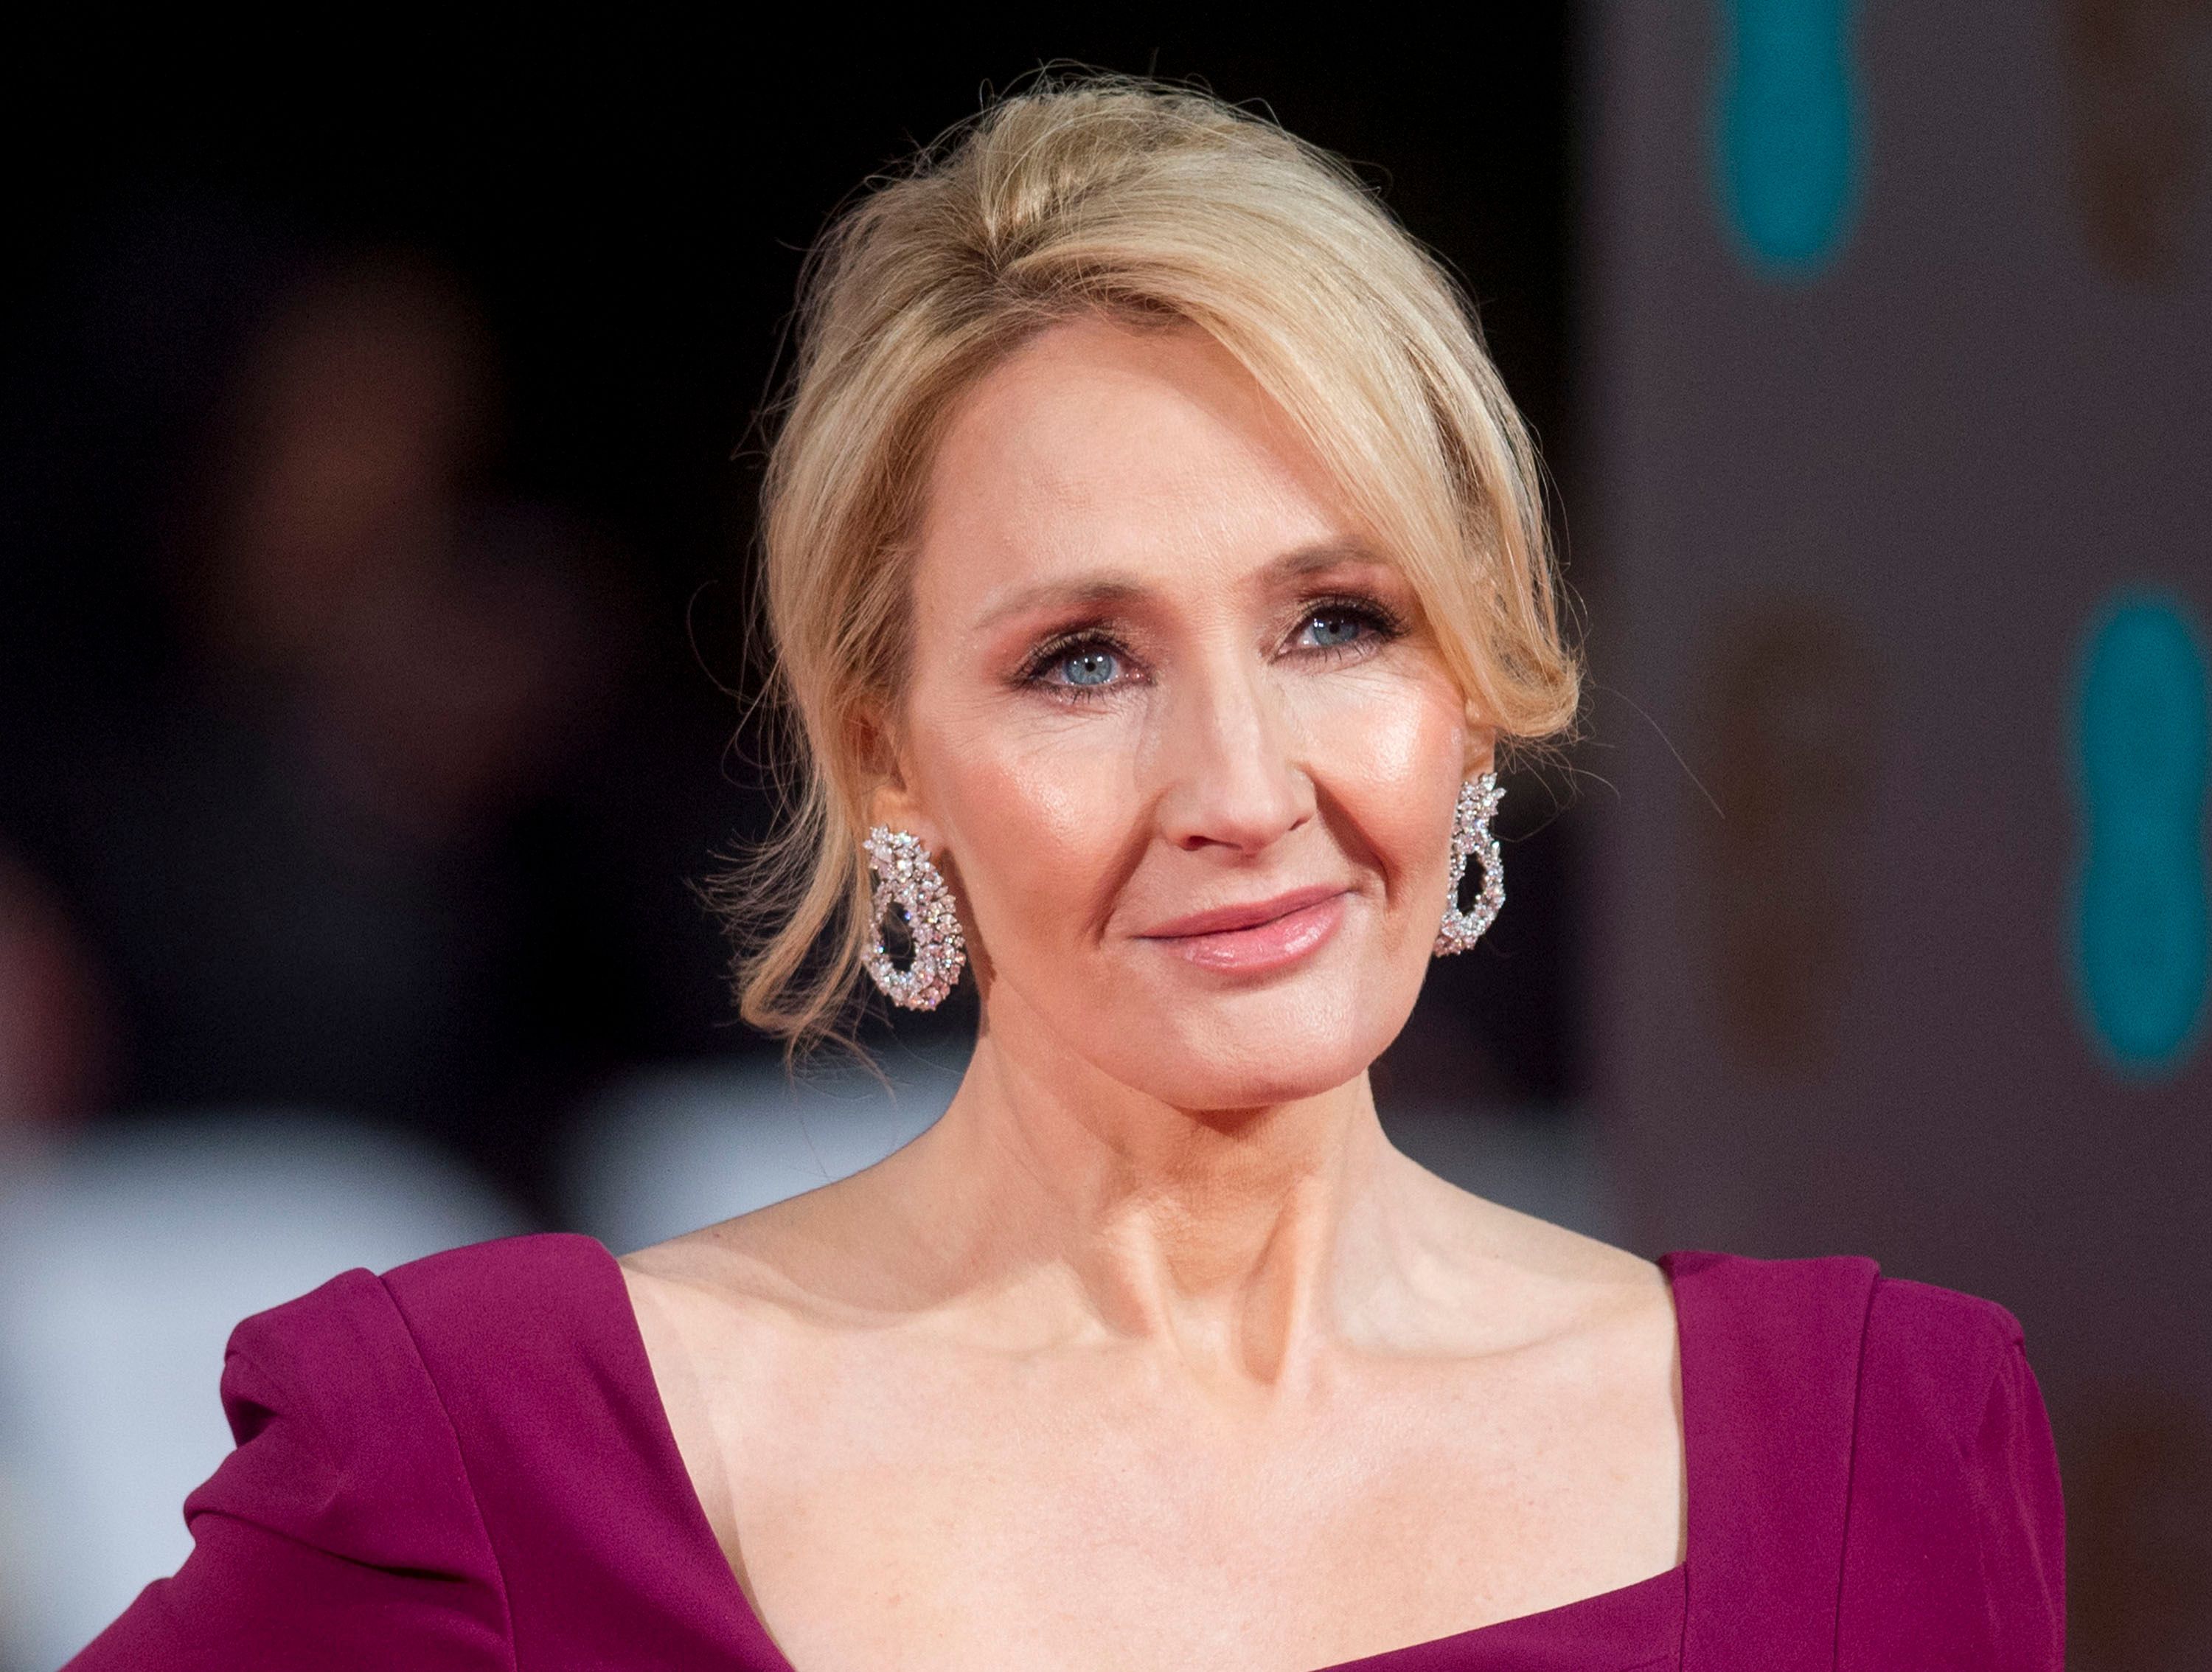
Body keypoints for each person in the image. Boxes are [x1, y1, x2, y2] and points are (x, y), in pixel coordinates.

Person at [66, 77, 2064, 1671]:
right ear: (885, 755)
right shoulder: (497, 1457)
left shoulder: (1874, 1450)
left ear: (1471, 685)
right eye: (1083, 661)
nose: (1239, 789)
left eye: (1339, 623)